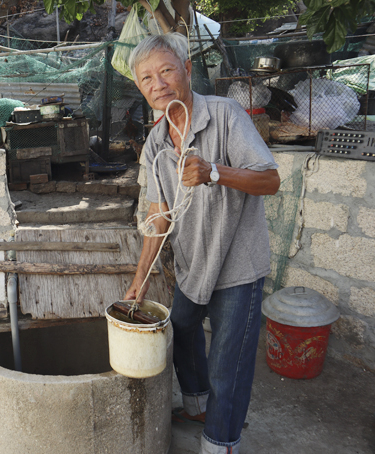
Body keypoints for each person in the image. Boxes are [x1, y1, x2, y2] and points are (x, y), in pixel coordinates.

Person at [123, 33, 280, 454]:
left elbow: (270, 180)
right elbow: (158, 216)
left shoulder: (226, 114)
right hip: (193, 264)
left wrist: (214, 172)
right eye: (146, 78)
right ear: (140, 88)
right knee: (182, 329)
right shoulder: (156, 144)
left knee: (229, 365)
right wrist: (139, 278)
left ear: (187, 70)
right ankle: (195, 405)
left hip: (237, 265)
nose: (158, 83)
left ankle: (220, 442)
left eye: (166, 70)